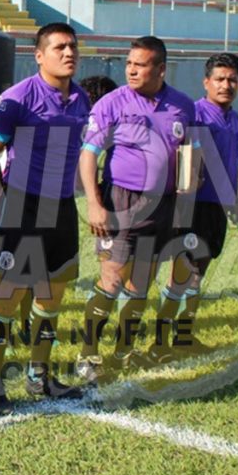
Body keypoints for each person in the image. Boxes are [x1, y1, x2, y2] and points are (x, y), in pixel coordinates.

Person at [0, 23, 91, 415]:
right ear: (39, 56)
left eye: (72, 46)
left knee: (52, 295)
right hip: (22, 205)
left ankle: (39, 375)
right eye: (59, 47)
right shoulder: (16, 99)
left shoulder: (81, 98)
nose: (68, 52)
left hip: (60, 208)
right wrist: (3, 203)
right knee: (9, 297)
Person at [77, 36, 197, 384]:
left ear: (160, 69)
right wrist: (95, 203)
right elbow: (88, 155)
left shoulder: (182, 106)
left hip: (163, 205)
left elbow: (189, 154)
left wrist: (185, 197)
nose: (131, 69)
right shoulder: (112, 103)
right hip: (119, 202)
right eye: (129, 63)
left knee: (140, 285)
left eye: (140, 64)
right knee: (111, 281)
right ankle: (88, 354)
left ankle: (122, 353)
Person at [146, 53, 238, 362]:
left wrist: (236, 198)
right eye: (219, 79)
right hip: (192, 207)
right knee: (182, 273)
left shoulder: (234, 118)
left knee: (197, 274)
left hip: (216, 208)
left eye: (232, 80)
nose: (225, 85)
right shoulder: (197, 115)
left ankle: (184, 336)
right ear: (206, 82)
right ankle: (160, 342)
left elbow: (231, 165)